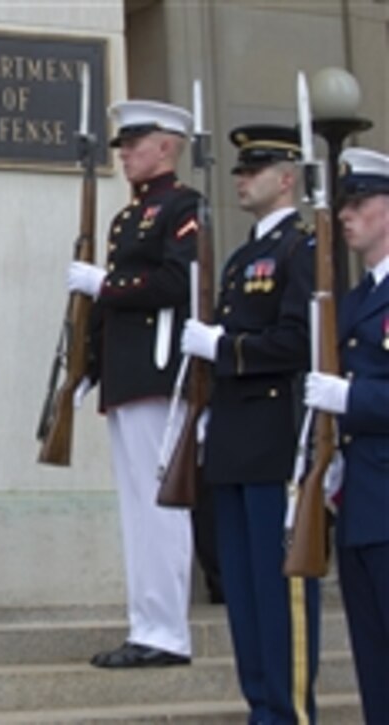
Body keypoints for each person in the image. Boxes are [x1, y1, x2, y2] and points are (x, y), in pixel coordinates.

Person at [181, 125, 318, 723]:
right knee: (242, 592)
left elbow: (297, 340)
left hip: (274, 441)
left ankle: (286, 712)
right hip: (234, 440)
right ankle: (260, 706)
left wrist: (224, 345)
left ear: (286, 178)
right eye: (239, 169)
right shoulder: (241, 259)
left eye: (253, 169)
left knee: (279, 591)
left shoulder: (302, 250)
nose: (241, 178)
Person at [66, 100, 199, 667]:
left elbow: (176, 280)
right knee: (136, 509)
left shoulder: (184, 207)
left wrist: (106, 282)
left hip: (157, 372)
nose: (123, 154)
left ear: (167, 145)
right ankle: (146, 624)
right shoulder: (127, 218)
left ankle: (168, 631)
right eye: (121, 144)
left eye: (134, 143)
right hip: (125, 375)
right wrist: (87, 366)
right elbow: (107, 310)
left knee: (160, 506)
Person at [303, 146, 389, 725]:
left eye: (359, 203)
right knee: (373, 665)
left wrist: (348, 399)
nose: (346, 215)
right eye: (344, 205)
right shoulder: (355, 301)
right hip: (360, 501)